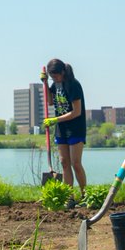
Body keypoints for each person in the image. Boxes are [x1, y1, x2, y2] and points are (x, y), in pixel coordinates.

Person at [42, 58, 87, 207]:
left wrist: (55, 119)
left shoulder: (73, 85)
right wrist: (46, 84)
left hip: (75, 127)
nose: (54, 78)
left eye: (56, 76)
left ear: (62, 72)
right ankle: (69, 197)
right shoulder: (56, 84)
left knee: (75, 163)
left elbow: (76, 111)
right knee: (64, 162)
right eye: (51, 76)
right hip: (61, 129)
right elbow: (50, 102)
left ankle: (85, 195)